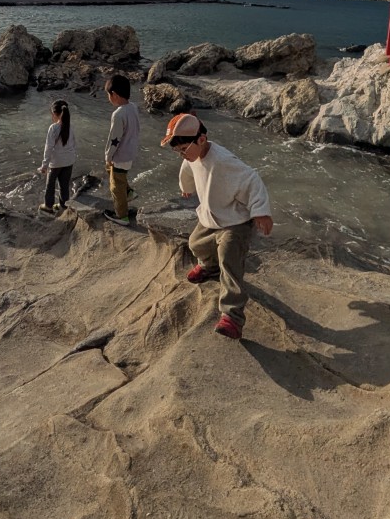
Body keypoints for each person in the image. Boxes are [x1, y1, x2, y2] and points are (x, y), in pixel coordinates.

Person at [161, 112, 273, 341]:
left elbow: (252, 180)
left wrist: (261, 212)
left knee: (229, 261)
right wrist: (186, 186)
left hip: (236, 221)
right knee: (196, 243)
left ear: (201, 139)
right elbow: (187, 169)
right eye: (178, 151)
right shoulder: (191, 156)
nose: (181, 154)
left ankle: (232, 317)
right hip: (212, 216)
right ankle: (209, 266)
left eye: (183, 149)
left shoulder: (223, 161)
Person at [103, 73, 140, 225]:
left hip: (120, 154)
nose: (108, 98)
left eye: (108, 95)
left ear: (115, 95)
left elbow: (114, 139)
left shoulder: (118, 114)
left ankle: (122, 215)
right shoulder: (133, 107)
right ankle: (129, 193)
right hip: (130, 151)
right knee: (119, 175)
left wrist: (108, 156)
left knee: (115, 186)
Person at [38, 98, 76, 213]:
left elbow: (48, 148)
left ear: (54, 114)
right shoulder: (70, 127)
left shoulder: (53, 128)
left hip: (56, 163)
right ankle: (63, 205)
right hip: (69, 161)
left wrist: (44, 165)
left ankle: (48, 206)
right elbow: (74, 144)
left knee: (50, 185)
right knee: (64, 185)